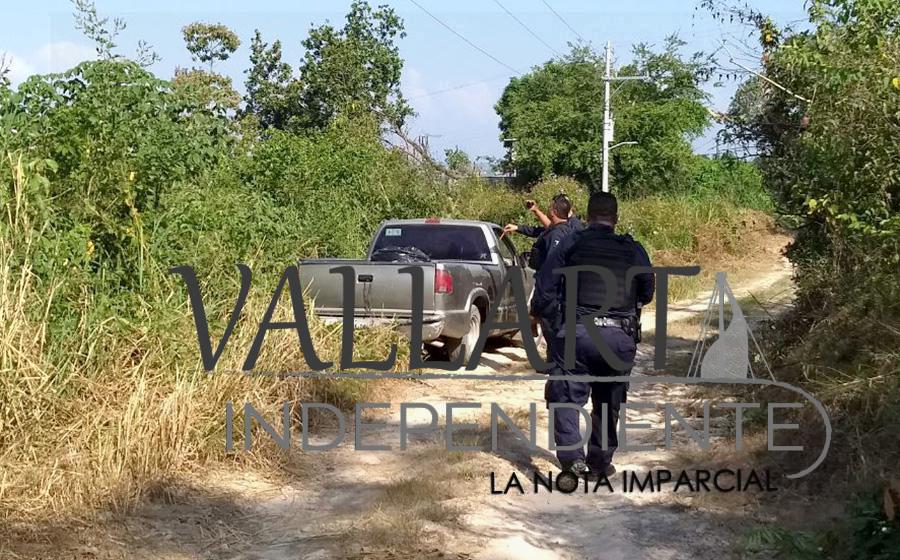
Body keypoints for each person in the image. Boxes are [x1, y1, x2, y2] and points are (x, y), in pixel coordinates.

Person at [531, 191, 654, 478]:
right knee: (609, 401)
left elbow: (546, 285)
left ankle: (572, 460)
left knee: (566, 396)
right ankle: (599, 463)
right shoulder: (633, 249)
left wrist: (545, 318)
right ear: (616, 217)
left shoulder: (571, 242)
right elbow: (647, 291)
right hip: (618, 337)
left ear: (585, 216)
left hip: (576, 333)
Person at [503, 194, 582, 272]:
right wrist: (518, 227)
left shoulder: (572, 226)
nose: (549, 209)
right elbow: (542, 230)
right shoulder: (559, 226)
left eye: (551, 207)